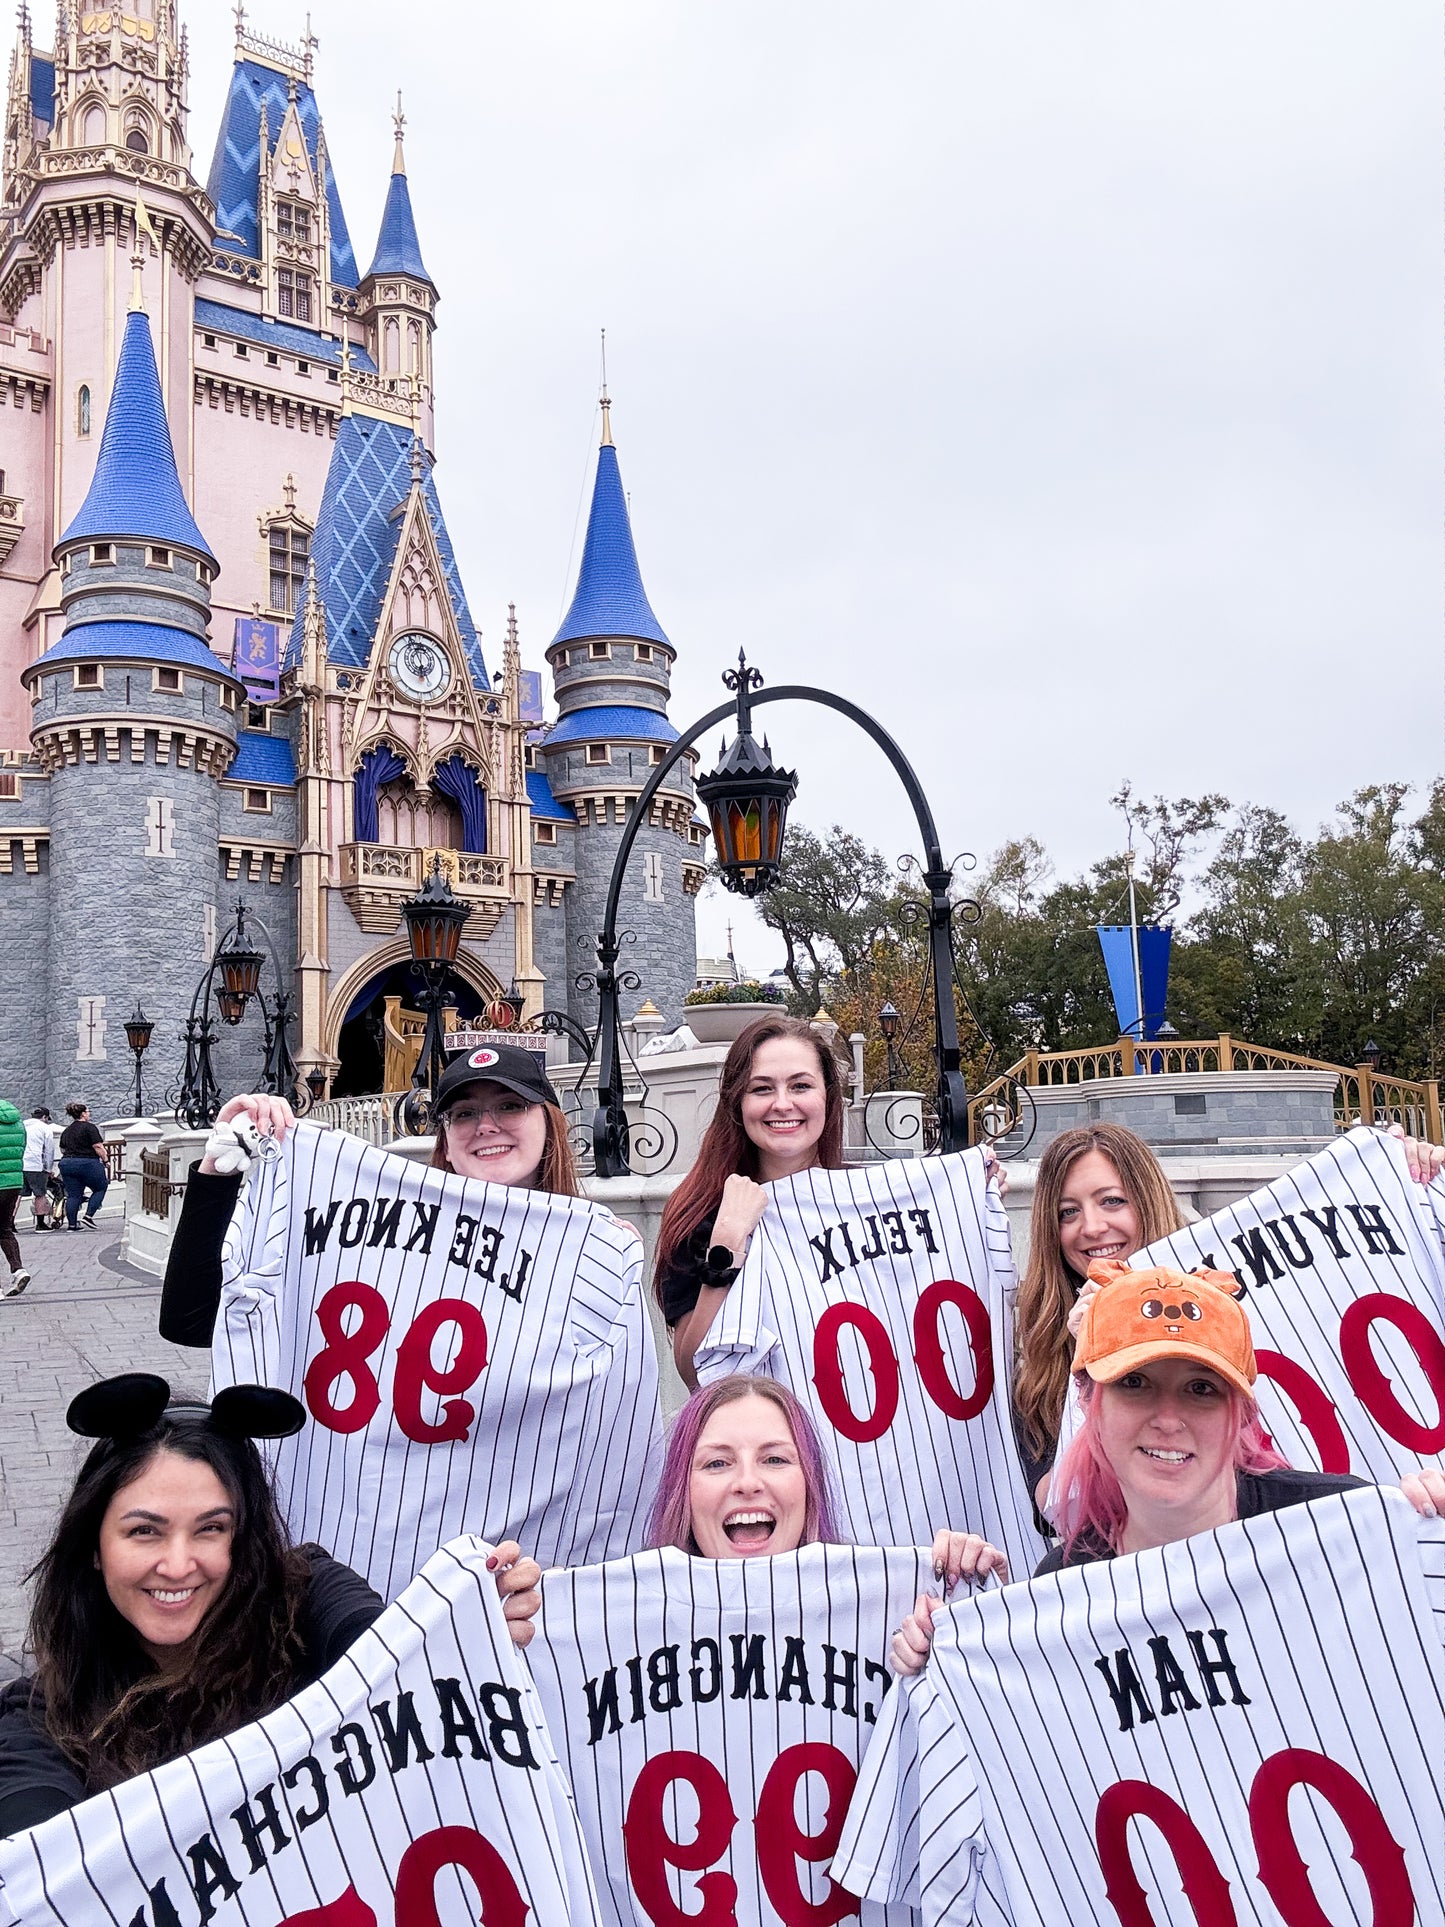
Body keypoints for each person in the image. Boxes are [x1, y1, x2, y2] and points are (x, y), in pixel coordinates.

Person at [0, 1373, 541, 1834]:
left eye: (211, 1528)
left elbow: (387, 1651)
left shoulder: (306, 1597)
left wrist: (463, 1632)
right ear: (93, 1547)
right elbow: (32, 1843)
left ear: (247, 1536)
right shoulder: (44, 1716)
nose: (178, 1564)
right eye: (144, 1531)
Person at [891, 1260, 1445, 1672]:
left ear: (1242, 1410)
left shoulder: (1343, 1522)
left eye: (1201, 1388)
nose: (1168, 1417)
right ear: (1088, 1401)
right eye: (1135, 1383)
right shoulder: (1064, 1580)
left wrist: (1428, 1534)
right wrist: (938, 1658)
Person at [1011, 1119, 1445, 1515]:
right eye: (1068, 1211)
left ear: (1147, 1201)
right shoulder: (1046, 1359)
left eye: (1112, 1201)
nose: (1091, 1227)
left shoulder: (1227, 1295)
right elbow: (1057, 1509)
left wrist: (1399, 1176)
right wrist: (1087, 1362)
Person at [159, 1043, 581, 1348]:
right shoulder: (391, 1235)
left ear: (550, 1124)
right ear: (446, 1143)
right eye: (465, 1113)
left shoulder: (589, 1248)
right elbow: (191, 1323)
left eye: (510, 1106)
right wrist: (217, 1171)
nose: (486, 1125)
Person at [645, 1373, 1004, 1591]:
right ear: (682, 1492)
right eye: (718, 1463)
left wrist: (976, 1588)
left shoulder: (894, 1614)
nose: (747, 1482)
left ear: (810, 1486)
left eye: (775, 1459)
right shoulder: (622, 1626)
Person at [653, 1016, 847, 1386]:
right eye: (761, 1089)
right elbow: (693, 1372)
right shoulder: (700, 1212)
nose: (782, 1104)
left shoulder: (867, 1194)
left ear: (828, 1096)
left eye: (801, 1085)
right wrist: (726, 1244)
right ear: (737, 1102)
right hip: (762, 1436)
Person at [57, 1099, 107, 1231]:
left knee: (73, 1195)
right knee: (100, 1188)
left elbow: (62, 1149)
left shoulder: (67, 1130)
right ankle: (88, 1216)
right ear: (83, 1114)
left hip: (67, 1163)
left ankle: (72, 1225)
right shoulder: (89, 1127)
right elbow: (97, 1146)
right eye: (88, 1111)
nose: (89, 1114)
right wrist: (106, 1160)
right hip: (87, 1163)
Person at [0, 1096, 29, 1297]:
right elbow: (21, 1149)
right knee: (3, 1229)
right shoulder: (17, 1121)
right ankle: (18, 1270)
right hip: (13, 1183)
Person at [22, 1105, 59, 1235]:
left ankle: (9, 1224)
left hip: (19, 1164)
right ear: (45, 1117)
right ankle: (41, 1224)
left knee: (16, 1195)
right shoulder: (45, 1128)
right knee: (40, 1194)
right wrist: (49, 1169)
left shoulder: (21, 1125)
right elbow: (49, 1150)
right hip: (35, 1165)